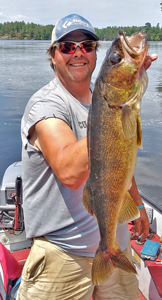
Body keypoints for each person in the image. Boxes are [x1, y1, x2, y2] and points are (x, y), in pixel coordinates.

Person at [16, 13, 158, 300]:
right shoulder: (46, 105)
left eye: (87, 46)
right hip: (62, 258)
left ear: (94, 54)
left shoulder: (104, 98)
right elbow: (69, 171)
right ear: (53, 55)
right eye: (67, 46)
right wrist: (116, 107)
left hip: (116, 246)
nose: (78, 52)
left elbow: (118, 161)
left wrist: (139, 206)